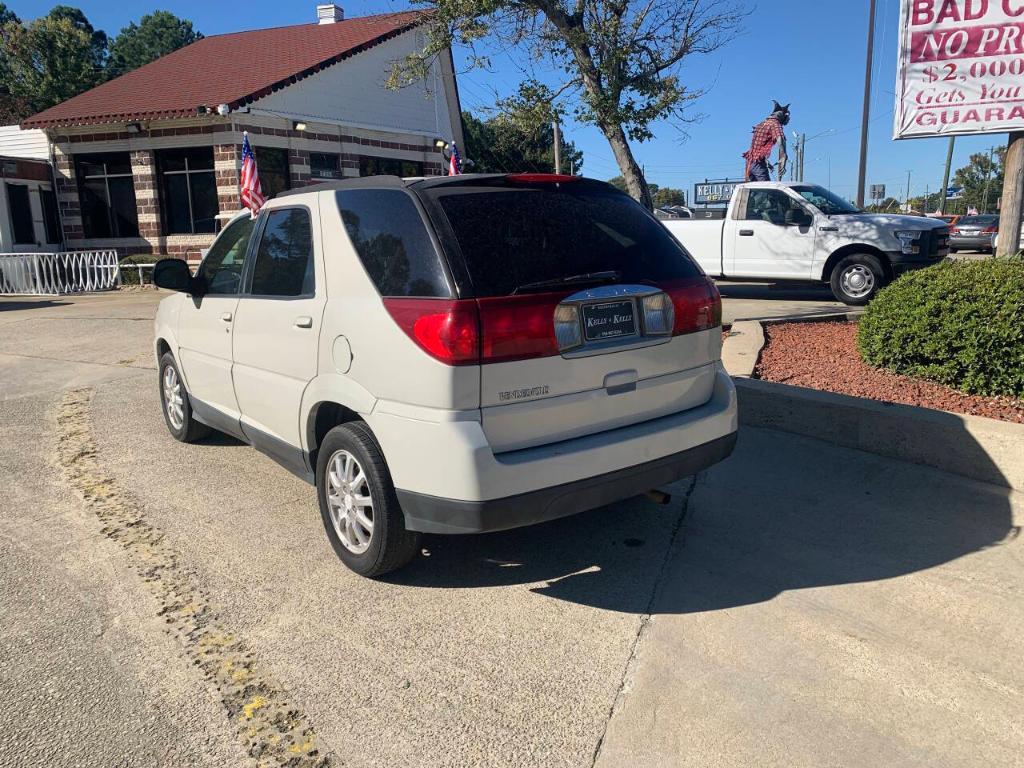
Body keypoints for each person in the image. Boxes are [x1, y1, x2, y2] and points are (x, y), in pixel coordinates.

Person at [743, 101, 790, 182]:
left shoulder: (762, 124)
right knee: (767, 191)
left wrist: (765, 161)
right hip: (758, 164)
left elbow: (758, 148)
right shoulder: (775, 124)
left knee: (755, 190)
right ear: (782, 115)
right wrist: (784, 156)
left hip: (750, 163)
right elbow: (780, 139)